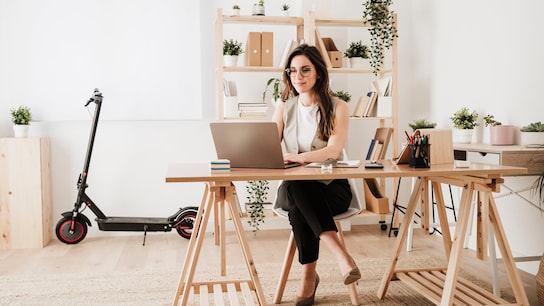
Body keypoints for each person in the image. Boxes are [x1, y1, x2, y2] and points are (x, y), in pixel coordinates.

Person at [272, 44, 361, 306]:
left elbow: (333, 149)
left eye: (305, 70)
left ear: (319, 73)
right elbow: (268, 143)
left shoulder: (338, 106)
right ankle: (342, 256)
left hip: (332, 188)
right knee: (299, 187)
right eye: (292, 71)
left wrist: (298, 158)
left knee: (301, 200)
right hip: (294, 187)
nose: (298, 77)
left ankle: (308, 276)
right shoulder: (284, 107)